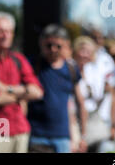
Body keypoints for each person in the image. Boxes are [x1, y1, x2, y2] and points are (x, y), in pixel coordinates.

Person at [0, 12, 44, 153]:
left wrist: (7, 89)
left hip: (20, 128)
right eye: (0, 31)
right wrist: (23, 93)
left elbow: (37, 92)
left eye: (8, 31)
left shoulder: (18, 59)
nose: (5, 35)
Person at [27, 24, 87, 153]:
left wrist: (82, 136)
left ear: (66, 45)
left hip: (63, 137)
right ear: (41, 43)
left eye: (58, 46)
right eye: (49, 45)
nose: (53, 49)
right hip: (37, 135)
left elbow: (80, 102)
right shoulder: (32, 65)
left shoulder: (71, 69)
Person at [73, 35, 115, 153]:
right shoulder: (70, 68)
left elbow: (111, 96)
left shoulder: (96, 70)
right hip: (74, 123)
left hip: (96, 123)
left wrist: (114, 125)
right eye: (81, 50)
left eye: (87, 51)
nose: (84, 54)